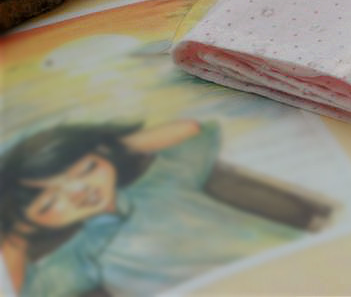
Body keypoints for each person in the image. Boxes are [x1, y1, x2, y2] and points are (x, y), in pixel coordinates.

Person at [0, 120, 307, 297]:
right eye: (49, 201)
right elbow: (22, 291)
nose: (79, 191)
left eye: (87, 169)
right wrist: (16, 234)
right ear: (30, 220)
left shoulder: (163, 180)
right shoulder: (80, 256)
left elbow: (195, 130)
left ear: (107, 157)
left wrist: (119, 146)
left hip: (295, 265)